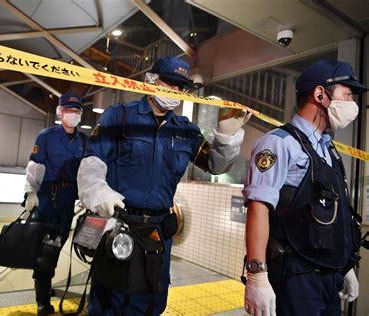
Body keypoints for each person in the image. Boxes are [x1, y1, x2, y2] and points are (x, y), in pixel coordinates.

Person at [77, 56, 251, 315]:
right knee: (110, 300)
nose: (175, 91)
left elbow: (215, 165)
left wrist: (226, 137)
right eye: (168, 83)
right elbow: (92, 161)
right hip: (119, 223)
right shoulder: (120, 116)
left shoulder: (186, 131)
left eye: (180, 86)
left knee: (152, 300)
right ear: (149, 80)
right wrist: (98, 192)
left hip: (157, 231)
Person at [243, 59, 367, 316]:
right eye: (347, 94)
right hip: (297, 277)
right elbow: (258, 208)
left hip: (328, 276)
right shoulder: (279, 143)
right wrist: (256, 275)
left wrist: (345, 268)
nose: (352, 103)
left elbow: (330, 214)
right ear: (320, 95)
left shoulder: (327, 149)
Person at [24, 93, 87, 316]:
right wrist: (30, 192)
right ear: (60, 112)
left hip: (69, 199)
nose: (74, 115)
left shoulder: (83, 140)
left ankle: (45, 282)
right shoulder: (46, 136)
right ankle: (42, 299)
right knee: (46, 248)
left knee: (58, 244)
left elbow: (86, 172)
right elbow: (35, 167)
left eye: (78, 111)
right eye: (70, 110)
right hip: (47, 199)